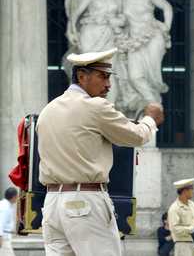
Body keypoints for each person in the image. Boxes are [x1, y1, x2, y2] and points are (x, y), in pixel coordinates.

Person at [37, 47, 164, 256]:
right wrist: (150, 119)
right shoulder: (96, 107)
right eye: (103, 76)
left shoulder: (47, 111)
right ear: (81, 76)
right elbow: (136, 136)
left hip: (52, 205)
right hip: (85, 202)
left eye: (109, 77)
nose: (108, 85)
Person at [114, 0, 173, 115]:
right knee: (135, 76)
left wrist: (166, 27)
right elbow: (121, 20)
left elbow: (167, 7)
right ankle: (153, 104)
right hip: (134, 40)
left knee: (151, 75)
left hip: (152, 36)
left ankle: (153, 106)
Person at [168, 178, 194, 256]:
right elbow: (175, 229)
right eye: (191, 189)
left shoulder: (192, 204)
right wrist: (192, 229)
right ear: (185, 191)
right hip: (182, 245)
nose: (193, 191)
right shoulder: (174, 208)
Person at [0, 187, 18, 256]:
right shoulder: (5, 207)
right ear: (14, 197)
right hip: (4, 238)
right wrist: (0, 237)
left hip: (6, 237)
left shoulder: (5, 205)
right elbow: (0, 222)